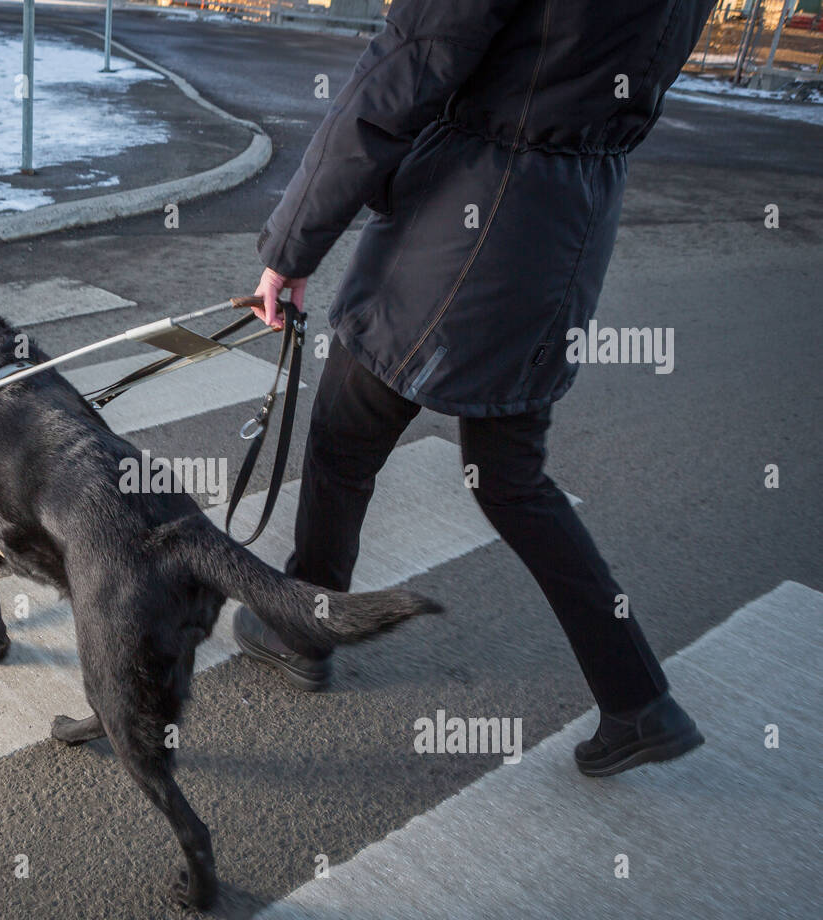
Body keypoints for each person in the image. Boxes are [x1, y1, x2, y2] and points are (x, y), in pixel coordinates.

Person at [233, 0, 714, 777]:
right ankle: (639, 700)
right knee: (513, 479)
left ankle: (305, 626)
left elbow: (401, 72)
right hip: (569, 228)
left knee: (344, 438)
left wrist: (292, 246)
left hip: (467, 221)